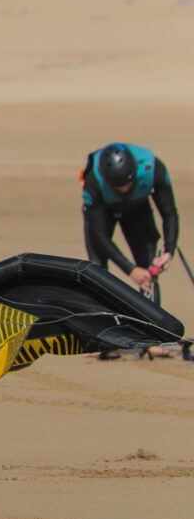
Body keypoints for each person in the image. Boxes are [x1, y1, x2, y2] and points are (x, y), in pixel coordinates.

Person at [81, 142, 179, 358]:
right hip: (102, 213)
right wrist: (129, 270)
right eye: (118, 187)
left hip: (137, 208)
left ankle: (150, 336)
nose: (124, 190)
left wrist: (169, 249)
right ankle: (101, 337)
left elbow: (170, 212)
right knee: (97, 270)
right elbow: (99, 236)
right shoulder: (93, 183)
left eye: (127, 184)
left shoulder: (154, 170)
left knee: (148, 267)